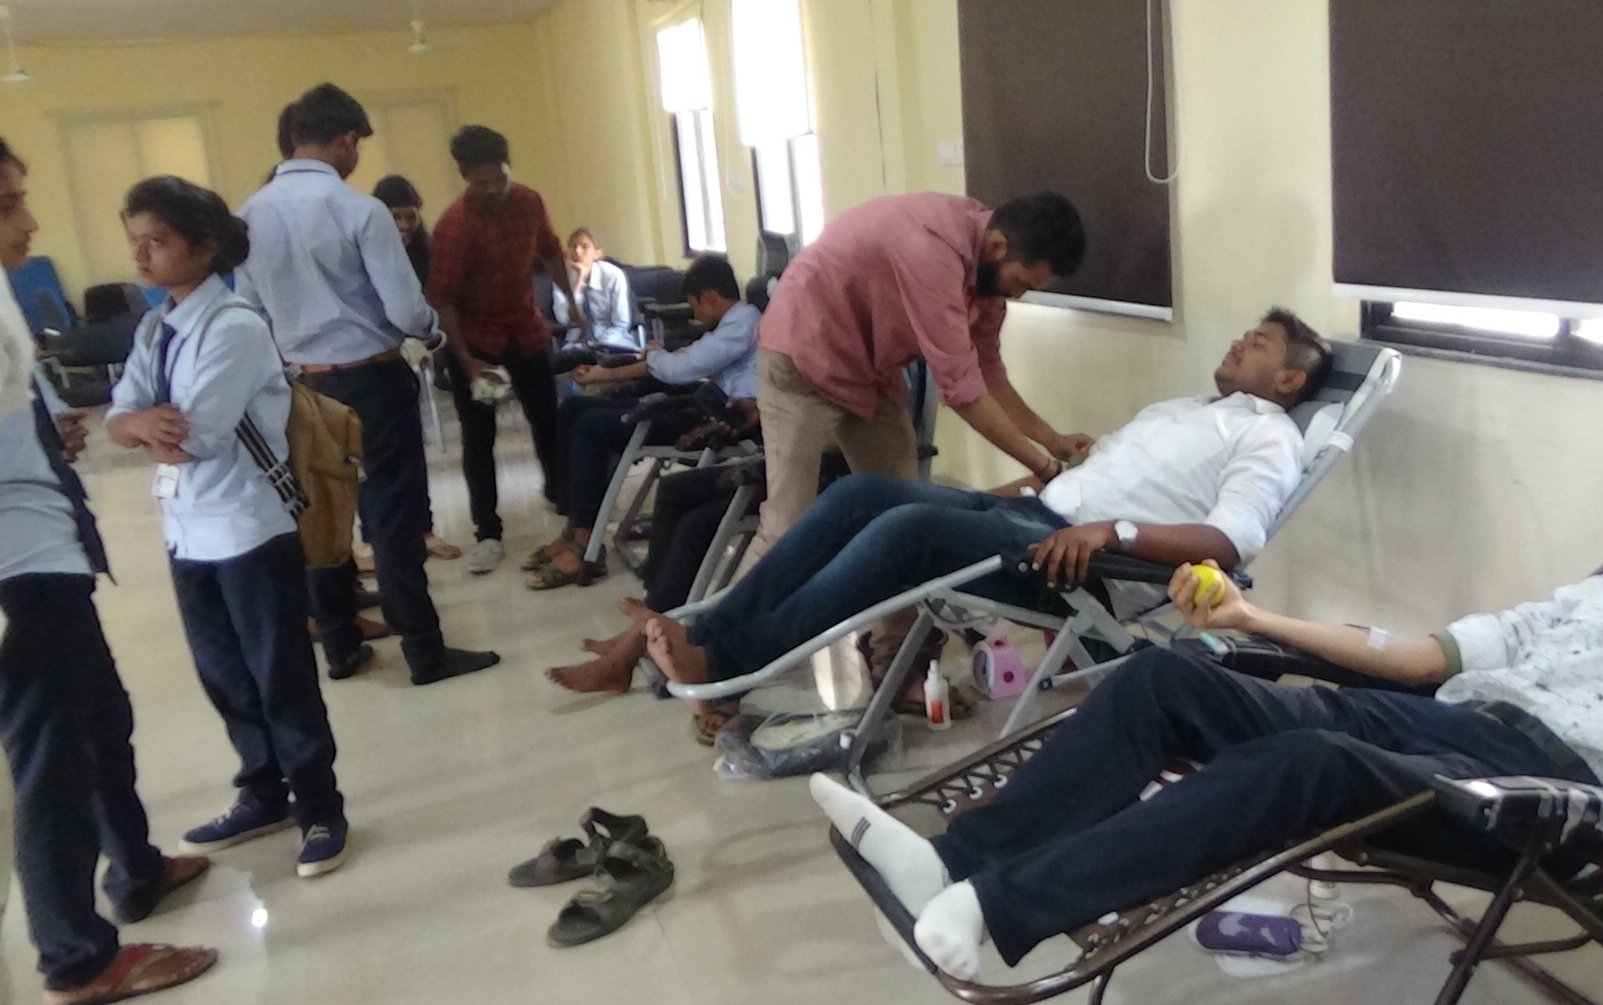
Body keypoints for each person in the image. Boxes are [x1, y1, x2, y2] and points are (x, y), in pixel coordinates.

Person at [811, 407, 1603, 979]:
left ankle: (995, 912)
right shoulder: (1599, 592)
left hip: (1542, 791)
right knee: (1166, 677)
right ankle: (952, 861)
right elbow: (1423, 655)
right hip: (1445, 722)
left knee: (1309, 764)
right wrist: (1255, 623)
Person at [551, 309, 1330, 744]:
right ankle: (708, 644)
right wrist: (989, 500)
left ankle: (722, 659)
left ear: (1289, 379)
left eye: (1257, 344)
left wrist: (1110, 535)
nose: (1238, 342)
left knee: (905, 534)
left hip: (1083, 566)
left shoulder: (1268, 438)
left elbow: (1231, 543)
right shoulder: (1186, 409)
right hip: (1033, 514)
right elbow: (1079, 480)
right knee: (864, 495)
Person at [0, 135, 217, 1004]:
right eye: (8, 205)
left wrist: (42, 432)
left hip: (45, 544)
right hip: (16, 568)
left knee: (99, 718)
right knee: (51, 759)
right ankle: (76, 961)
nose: (30, 221)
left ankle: (134, 867)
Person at [106, 176, 351, 877]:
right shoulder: (155, 327)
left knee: (280, 677)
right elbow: (118, 418)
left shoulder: (235, 327)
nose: (142, 256)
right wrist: (139, 423)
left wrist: (145, 426)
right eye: (135, 242)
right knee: (223, 675)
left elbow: (194, 437)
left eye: (157, 241)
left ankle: (320, 806)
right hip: (186, 530)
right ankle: (262, 792)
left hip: (248, 528)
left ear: (205, 246)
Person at [236, 83, 498, 686]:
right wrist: (431, 330)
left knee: (323, 515)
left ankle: (340, 645)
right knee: (392, 518)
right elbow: (405, 311)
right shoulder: (360, 210)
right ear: (346, 140)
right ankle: (424, 652)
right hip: (372, 381)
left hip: (300, 388)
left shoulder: (248, 215)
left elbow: (249, 311)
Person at [748, 191, 1094, 560]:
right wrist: (1044, 468)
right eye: (1020, 282)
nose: (1018, 295)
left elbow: (988, 373)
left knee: (903, 517)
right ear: (997, 246)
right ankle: (739, 602)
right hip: (802, 358)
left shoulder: (989, 275)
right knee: (788, 525)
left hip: (868, 373)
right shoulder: (931, 248)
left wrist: (1052, 440)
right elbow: (963, 392)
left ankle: (888, 599)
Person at [525, 256, 761, 589]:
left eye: (694, 305)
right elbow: (680, 360)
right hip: (702, 400)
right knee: (573, 409)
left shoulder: (743, 323)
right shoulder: (729, 325)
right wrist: (609, 373)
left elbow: (680, 368)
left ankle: (584, 541)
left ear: (709, 297)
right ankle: (574, 527)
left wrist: (653, 355)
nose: (694, 315)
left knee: (591, 426)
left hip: (719, 417)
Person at [427, 124, 578, 575]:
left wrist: (572, 302)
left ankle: (563, 502)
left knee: (547, 420)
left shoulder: (528, 202)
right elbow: (443, 299)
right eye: (482, 182)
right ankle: (488, 533)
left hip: (525, 332)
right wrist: (467, 360)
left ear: (508, 167)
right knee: (480, 437)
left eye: (499, 178)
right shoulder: (455, 225)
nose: (493, 189)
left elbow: (550, 251)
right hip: (479, 344)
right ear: (464, 175)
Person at [370, 173, 463, 563]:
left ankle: (424, 531)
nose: (405, 225)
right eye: (396, 216)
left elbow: (427, 304)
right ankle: (372, 542)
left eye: (410, 216)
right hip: (373, 356)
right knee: (372, 462)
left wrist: (422, 342)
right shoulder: (366, 245)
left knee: (412, 453)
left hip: (413, 352)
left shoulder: (425, 249)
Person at [556, 227, 640, 365]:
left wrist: (599, 345)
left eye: (584, 247)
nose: (577, 251)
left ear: (597, 253)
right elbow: (562, 318)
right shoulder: (561, 276)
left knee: (609, 358)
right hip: (577, 341)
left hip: (612, 338)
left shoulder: (613, 275)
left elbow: (621, 323)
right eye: (573, 246)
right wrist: (579, 280)